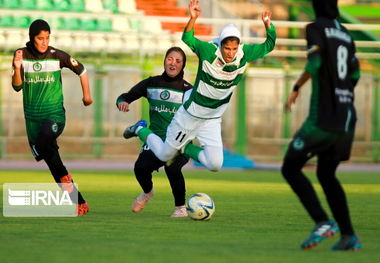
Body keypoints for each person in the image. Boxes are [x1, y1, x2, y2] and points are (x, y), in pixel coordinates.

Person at [124, 0, 276, 172]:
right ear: (221, 44)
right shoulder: (208, 51)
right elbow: (187, 38)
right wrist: (193, 18)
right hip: (191, 113)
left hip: (212, 118)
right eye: (227, 48)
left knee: (215, 164)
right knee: (165, 155)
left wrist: (268, 26)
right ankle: (141, 129)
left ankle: (184, 147)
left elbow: (269, 45)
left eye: (234, 49)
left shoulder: (245, 53)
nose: (230, 53)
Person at [281, 0, 361, 251]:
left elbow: (314, 64)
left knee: (290, 168)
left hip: (323, 119)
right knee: (326, 174)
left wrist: (298, 86)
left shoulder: (316, 28)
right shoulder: (347, 34)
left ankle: (323, 222)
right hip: (347, 118)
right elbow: (355, 74)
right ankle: (348, 235)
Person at [12, 19, 93, 216]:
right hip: (33, 119)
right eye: (40, 39)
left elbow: (81, 70)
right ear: (32, 38)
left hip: (54, 114)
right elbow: (17, 87)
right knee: (52, 159)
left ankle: (68, 184)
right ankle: (79, 202)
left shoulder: (57, 55)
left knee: (44, 142)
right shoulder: (22, 55)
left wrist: (87, 96)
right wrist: (16, 67)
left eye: (47, 38)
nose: (44, 42)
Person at [117, 47, 192, 217]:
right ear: (164, 61)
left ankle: (180, 208)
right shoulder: (151, 83)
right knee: (140, 168)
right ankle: (148, 193)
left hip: (180, 141)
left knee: (172, 168)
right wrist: (122, 102)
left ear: (183, 65)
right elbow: (124, 96)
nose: (173, 63)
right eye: (170, 59)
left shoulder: (188, 91)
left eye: (178, 61)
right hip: (155, 140)